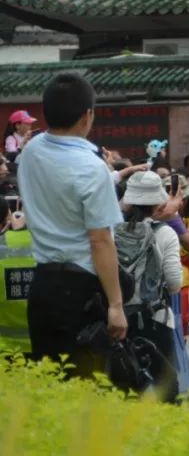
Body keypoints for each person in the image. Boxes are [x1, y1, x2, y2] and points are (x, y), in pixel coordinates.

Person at [19, 74, 127, 378]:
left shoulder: (31, 151)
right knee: (88, 388)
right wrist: (116, 305)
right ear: (87, 115)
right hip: (82, 293)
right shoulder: (92, 169)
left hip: (42, 287)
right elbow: (100, 240)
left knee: (51, 387)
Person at [117, 170, 184, 401]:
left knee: (125, 387)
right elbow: (175, 282)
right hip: (155, 319)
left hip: (117, 319)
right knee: (166, 390)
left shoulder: (110, 231)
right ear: (158, 203)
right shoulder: (165, 233)